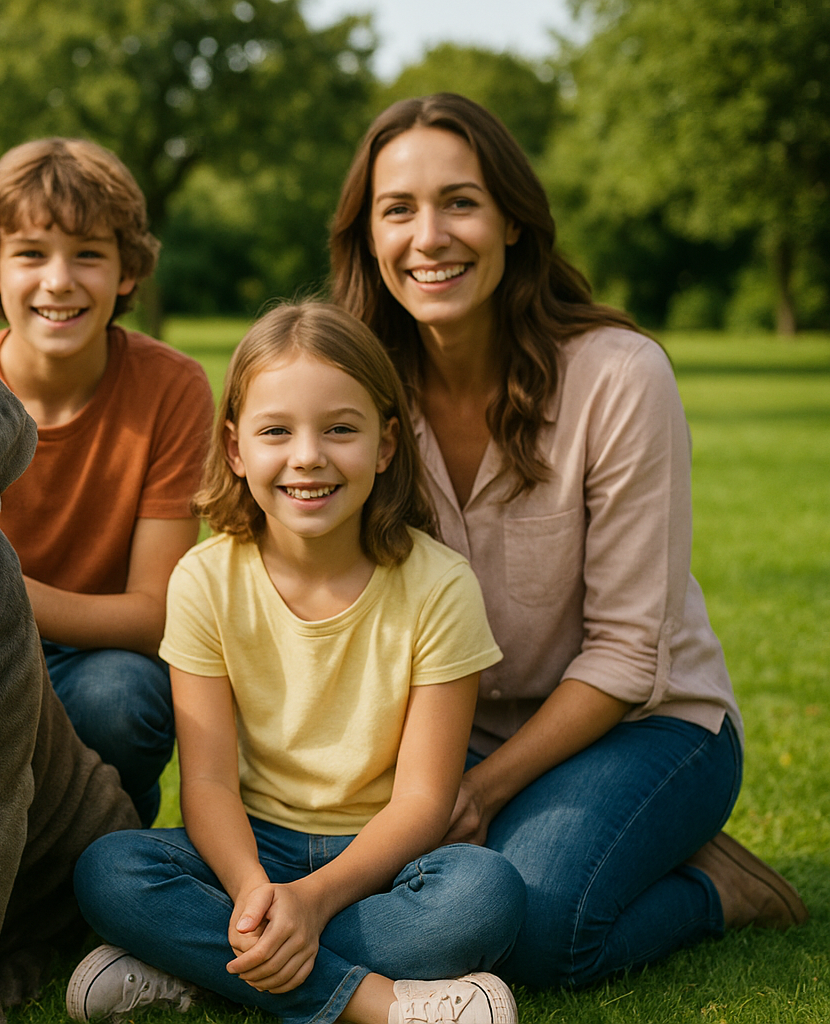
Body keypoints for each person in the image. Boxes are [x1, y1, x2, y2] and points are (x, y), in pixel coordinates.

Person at [326, 92, 807, 989]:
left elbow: (630, 654)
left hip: (647, 724)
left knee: (541, 929)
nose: (429, 236)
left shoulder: (620, 377)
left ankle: (717, 887)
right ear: (367, 239)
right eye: (398, 209)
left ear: (512, 221)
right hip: (447, 727)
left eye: (460, 202)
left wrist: (482, 792)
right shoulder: (356, 389)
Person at [69, 303, 526, 1024]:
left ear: (385, 445)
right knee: (109, 871)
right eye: (276, 431)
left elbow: (422, 803)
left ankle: (200, 964)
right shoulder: (204, 580)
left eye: (340, 429)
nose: (307, 456)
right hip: (251, 846)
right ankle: (376, 1005)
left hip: (382, 862)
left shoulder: (440, 587)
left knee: (485, 893)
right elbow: (210, 781)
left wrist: (310, 905)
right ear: (235, 450)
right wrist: (254, 889)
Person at [0, 138, 214, 826]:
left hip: (96, 658)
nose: (59, 280)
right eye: (31, 254)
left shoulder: (172, 386)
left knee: (121, 702)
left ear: (128, 273)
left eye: (89, 255)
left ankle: (98, 838)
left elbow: (157, 611)